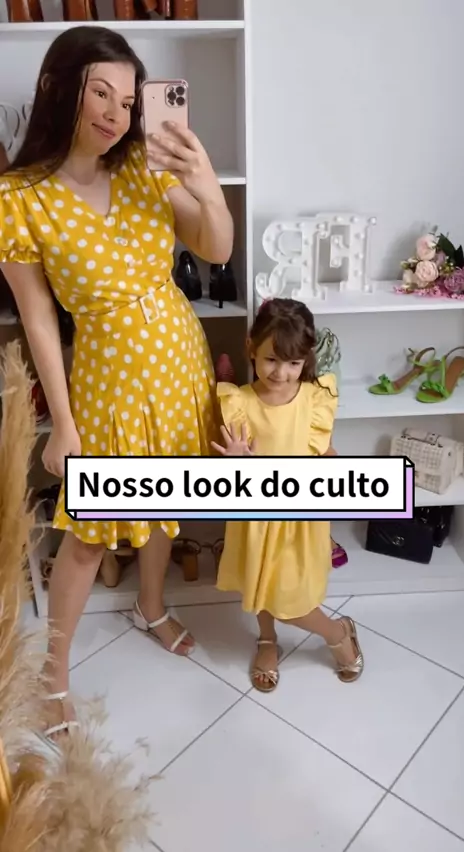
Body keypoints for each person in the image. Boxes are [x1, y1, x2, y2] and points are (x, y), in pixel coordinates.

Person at [0, 25, 233, 739]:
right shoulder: (18, 196)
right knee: (89, 536)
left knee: (166, 500)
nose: (115, 113)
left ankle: (150, 606)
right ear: (56, 86)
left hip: (180, 363)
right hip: (107, 381)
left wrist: (206, 185)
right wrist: (63, 426)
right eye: (100, 92)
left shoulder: (142, 165)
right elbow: (39, 319)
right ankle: (52, 675)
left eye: (128, 101)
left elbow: (215, 246)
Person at [212, 298, 364, 692]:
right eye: (271, 360)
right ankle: (267, 639)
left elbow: (326, 453)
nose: (281, 373)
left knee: (289, 597)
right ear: (251, 348)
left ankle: (336, 632)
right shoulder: (239, 403)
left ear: (306, 360)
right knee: (259, 582)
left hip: (297, 518)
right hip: (257, 516)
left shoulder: (314, 400)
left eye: (294, 363)